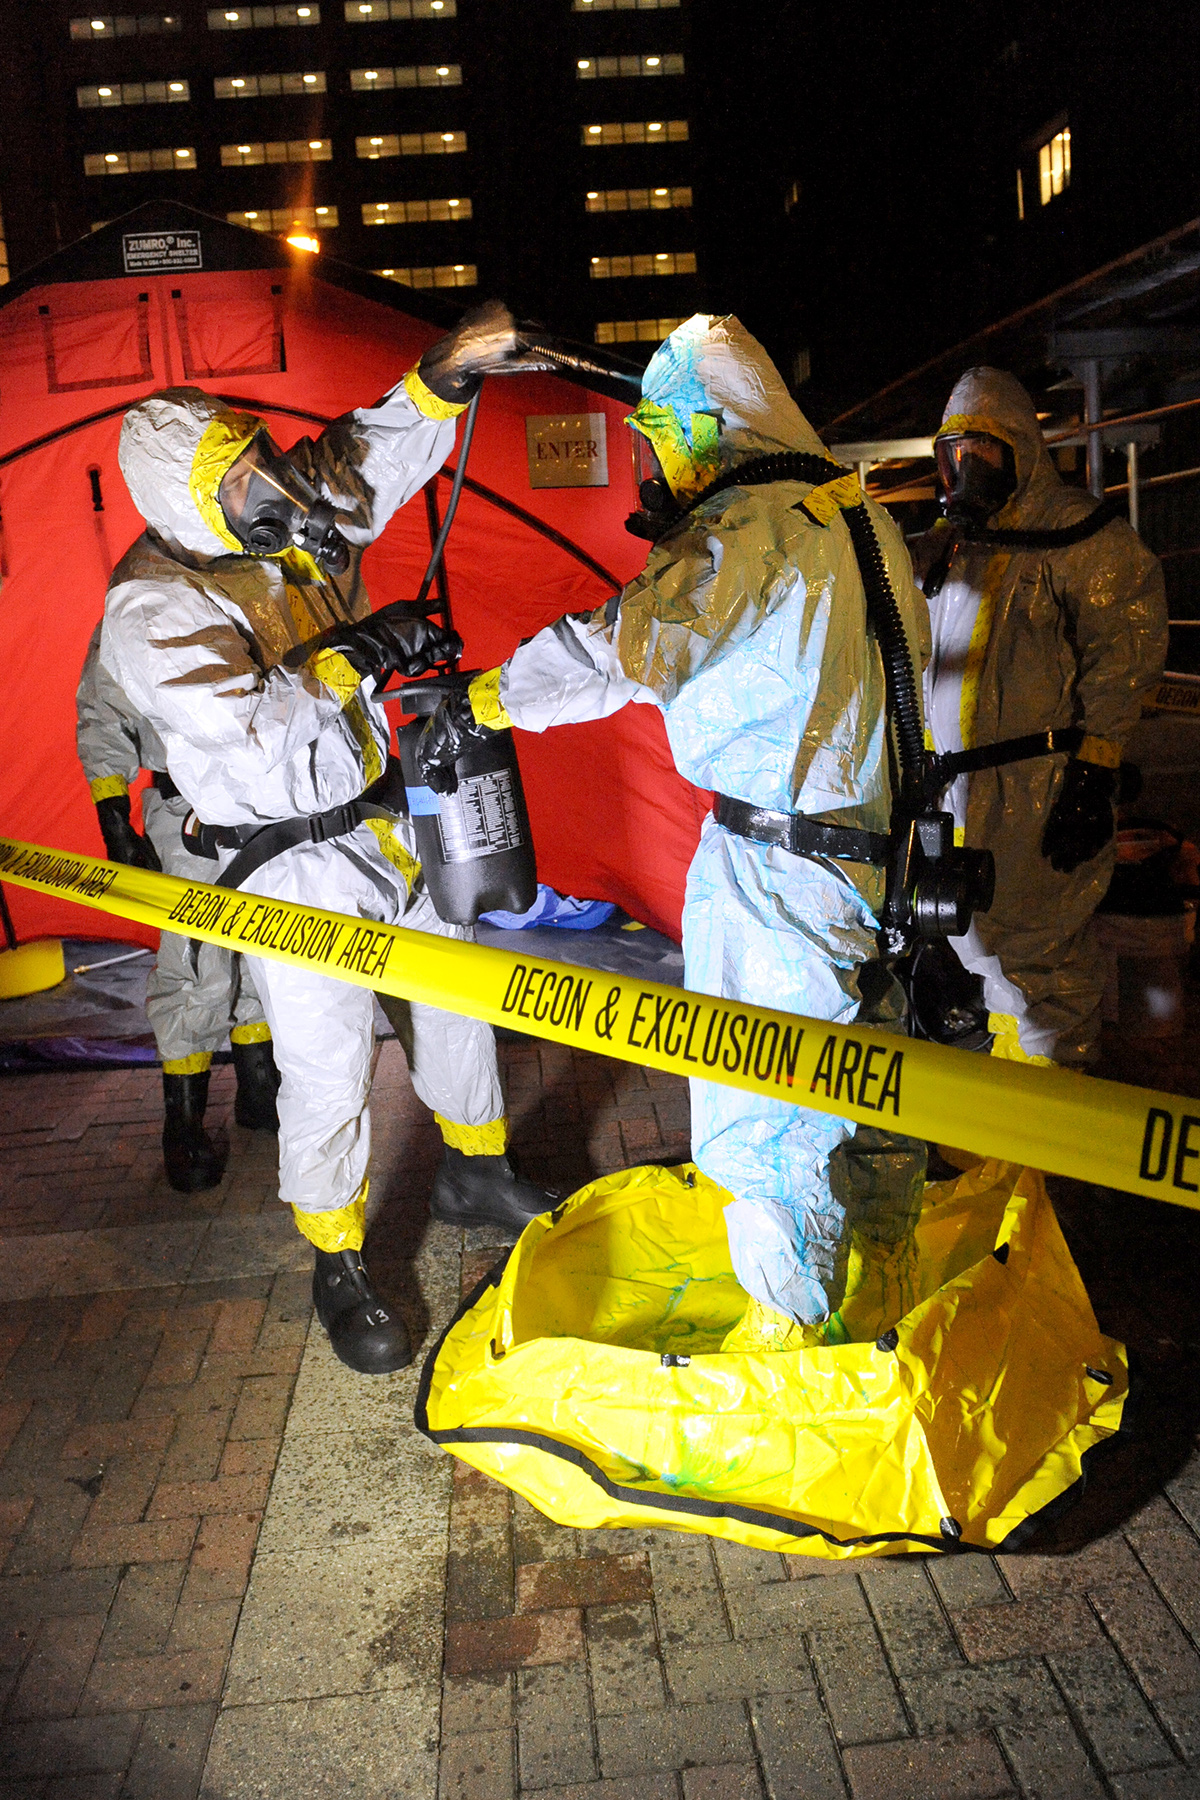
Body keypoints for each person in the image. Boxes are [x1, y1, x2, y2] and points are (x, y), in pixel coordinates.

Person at [418, 313, 929, 1330]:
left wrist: (490, 699)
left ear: (708, 427)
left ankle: (793, 1345)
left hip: (776, 872)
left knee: (763, 1114)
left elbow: (625, 645)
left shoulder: (744, 530)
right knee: (869, 1101)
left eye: (667, 435)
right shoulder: (856, 519)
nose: (663, 461)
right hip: (878, 858)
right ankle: (883, 1311)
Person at [99, 303, 552, 1375]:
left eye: (259, 460)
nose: (275, 490)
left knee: (459, 999)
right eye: (246, 482)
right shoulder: (149, 609)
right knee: (325, 1060)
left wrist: (443, 373)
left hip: (383, 828)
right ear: (186, 502)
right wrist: (352, 653)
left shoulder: (272, 519)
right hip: (288, 868)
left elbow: (357, 462)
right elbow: (250, 734)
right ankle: (337, 1256)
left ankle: (476, 1166)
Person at [912, 367, 1168, 1066]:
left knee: (1043, 965)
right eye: (954, 453)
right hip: (958, 791)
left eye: (984, 452)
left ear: (1022, 451)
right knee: (987, 957)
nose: (966, 470)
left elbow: (1126, 650)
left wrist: (1094, 771)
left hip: (1039, 789)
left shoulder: (1078, 536)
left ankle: (1057, 1136)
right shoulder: (953, 548)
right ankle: (1017, 1126)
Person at [77, 623, 280, 1191]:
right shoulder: (141, 598)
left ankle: (259, 1087)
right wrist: (114, 815)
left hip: (263, 799)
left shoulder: (256, 577)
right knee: (198, 963)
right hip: (186, 803)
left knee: (263, 944)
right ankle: (182, 1124)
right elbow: (102, 706)